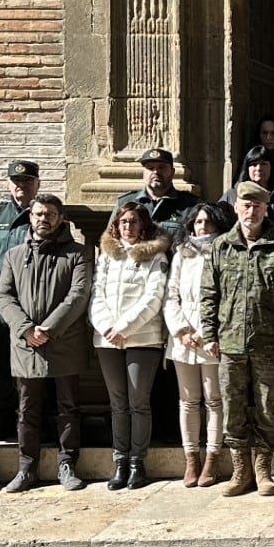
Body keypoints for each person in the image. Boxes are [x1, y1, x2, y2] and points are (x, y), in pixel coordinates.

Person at [199, 182, 274, 497]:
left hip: (268, 343)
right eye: (246, 204)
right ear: (236, 208)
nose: (251, 211)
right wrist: (208, 333)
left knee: (266, 408)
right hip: (229, 342)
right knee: (232, 407)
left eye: (258, 205)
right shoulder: (221, 247)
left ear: (266, 208)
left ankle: (263, 470)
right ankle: (240, 470)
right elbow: (208, 294)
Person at [0, 193, 92, 493]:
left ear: (60, 218)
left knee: (68, 407)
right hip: (26, 345)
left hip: (64, 342)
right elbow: (4, 296)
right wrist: (26, 329)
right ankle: (26, 467)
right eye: (38, 213)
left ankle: (67, 463)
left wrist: (49, 328)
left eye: (50, 214)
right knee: (27, 409)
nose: (43, 218)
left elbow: (77, 295)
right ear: (30, 217)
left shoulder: (78, 254)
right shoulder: (13, 255)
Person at [91, 201, 170, 490]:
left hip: (143, 338)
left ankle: (138, 462)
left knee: (138, 403)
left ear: (143, 225)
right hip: (108, 340)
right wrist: (107, 327)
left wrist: (124, 328)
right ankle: (119, 461)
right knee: (117, 404)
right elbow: (96, 292)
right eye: (123, 221)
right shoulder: (106, 256)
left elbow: (153, 298)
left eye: (134, 221)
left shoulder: (155, 256)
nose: (128, 226)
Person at [164, 202, 229, 487]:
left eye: (208, 223)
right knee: (188, 401)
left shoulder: (222, 252)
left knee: (214, 399)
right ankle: (192, 458)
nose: (202, 227)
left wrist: (205, 332)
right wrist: (181, 330)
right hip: (183, 338)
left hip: (211, 336)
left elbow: (225, 296)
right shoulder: (182, 254)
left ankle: (213, 458)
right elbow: (171, 294)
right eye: (198, 222)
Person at [0, 160, 41, 444]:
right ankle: (4, 419)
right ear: (8, 184)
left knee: (34, 362)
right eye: (16, 182)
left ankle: (38, 419)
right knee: (1, 361)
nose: (21, 187)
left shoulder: (44, 213)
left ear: (37, 184)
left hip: (32, 301)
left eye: (27, 182)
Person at [113, 147, 199, 230]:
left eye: (161, 167)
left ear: (172, 172)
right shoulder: (126, 202)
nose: (156, 172)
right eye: (150, 168)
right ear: (144, 174)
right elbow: (111, 237)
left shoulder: (190, 205)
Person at [222, 147, 274, 235]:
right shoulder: (231, 196)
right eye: (254, 164)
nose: (259, 168)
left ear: (272, 167)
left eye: (263, 164)